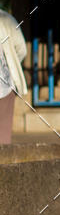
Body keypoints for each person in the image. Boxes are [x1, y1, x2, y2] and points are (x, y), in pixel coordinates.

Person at [0, 10, 27, 143]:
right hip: (5, 87)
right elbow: (21, 50)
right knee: (3, 140)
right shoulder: (6, 19)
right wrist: (11, 68)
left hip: (5, 88)